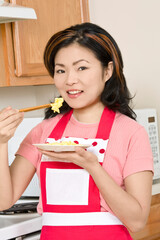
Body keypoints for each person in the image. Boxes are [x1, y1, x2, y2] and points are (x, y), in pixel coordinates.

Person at [0, 22, 153, 240]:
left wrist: (91, 165)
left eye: (81, 68)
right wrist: (1, 142)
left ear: (108, 70)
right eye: (61, 70)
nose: (70, 80)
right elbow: (4, 200)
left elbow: (137, 222)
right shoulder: (43, 131)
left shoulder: (131, 133)